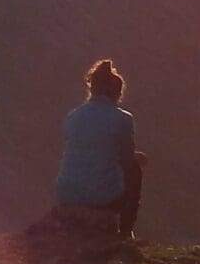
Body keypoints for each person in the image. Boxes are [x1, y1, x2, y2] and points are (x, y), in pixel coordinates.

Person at [50, 58, 146, 237]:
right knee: (135, 170)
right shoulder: (123, 119)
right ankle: (126, 231)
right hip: (101, 197)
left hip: (66, 192)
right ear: (117, 93)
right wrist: (136, 158)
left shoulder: (73, 116)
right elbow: (126, 160)